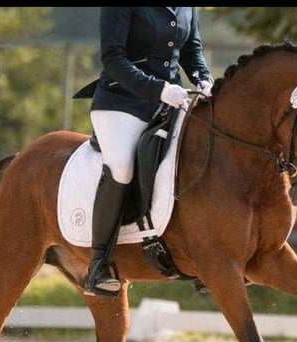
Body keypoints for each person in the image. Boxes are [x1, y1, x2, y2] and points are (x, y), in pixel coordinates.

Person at [82, 7, 213, 297]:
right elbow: (113, 59)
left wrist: (203, 78)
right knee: (122, 167)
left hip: (170, 102)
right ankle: (98, 264)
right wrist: (158, 89)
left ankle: (209, 257)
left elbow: (192, 50)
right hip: (122, 102)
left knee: (204, 153)